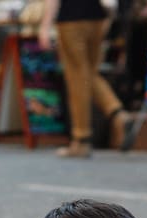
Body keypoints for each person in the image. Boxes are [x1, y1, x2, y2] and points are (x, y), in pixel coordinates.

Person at [38, 0, 131, 158]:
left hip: (71, 19)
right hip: (96, 17)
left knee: (77, 78)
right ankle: (117, 113)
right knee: (90, 74)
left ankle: (81, 139)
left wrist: (45, 25)